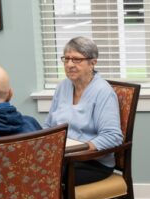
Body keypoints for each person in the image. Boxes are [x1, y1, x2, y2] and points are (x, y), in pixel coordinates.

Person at [45, 36, 122, 185]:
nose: (69, 64)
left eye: (76, 60)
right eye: (66, 59)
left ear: (92, 63)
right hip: (63, 157)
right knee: (28, 168)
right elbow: (48, 126)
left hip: (92, 163)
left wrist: (79, 149)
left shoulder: (103, 92)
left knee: (43, 178)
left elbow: (112, 136)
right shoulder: (63, 86)